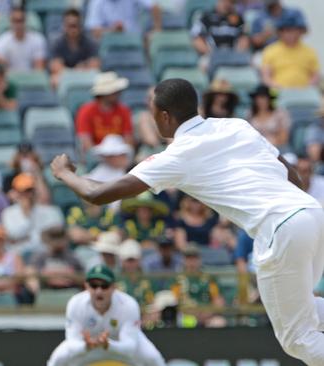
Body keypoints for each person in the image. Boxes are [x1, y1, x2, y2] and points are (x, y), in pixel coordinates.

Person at [51, 77, 324, 364]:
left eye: (153, 112)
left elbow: (97, 193)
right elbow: (293, 176)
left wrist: (64, 173)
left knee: (297, 338)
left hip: (281, 227)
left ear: (165, 117)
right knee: (306, 311)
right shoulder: (236, 125)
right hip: (312, 214)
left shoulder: (177, 156)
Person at [47, 264, 165, 366]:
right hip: (87, 345)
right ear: (86, 286)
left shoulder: (128, 305)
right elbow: (72, 344)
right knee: (57, 359)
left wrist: (108, 345)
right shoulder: (76, 304)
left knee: (154, 358)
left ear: (114, 287)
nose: (99, 291)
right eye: (94, 285)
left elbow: (130, 347)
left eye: (104, 286)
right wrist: (86, 346)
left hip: (118, 343)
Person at [1, 173, 64, 254]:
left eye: (30, 190)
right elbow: (13, 235)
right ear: (15, 193)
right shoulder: (8, 213)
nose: (27, 195)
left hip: (45, 255)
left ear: (35, 191)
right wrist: (27, 213)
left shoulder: (51, 211)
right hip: (20, 257)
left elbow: (56, 236)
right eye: (22, 191)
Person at [76, 72, 133, 154]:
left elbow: (128, 140)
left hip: (119, 155)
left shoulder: (124, 110)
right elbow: (85, 141)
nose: (118, 93)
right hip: (97, 156)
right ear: (105, 94)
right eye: (114, 91)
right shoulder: (86, 111)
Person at [261, 12, 319, 89]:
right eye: (287, 30)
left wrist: (307, 87)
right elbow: (266, 77)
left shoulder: (310, 51)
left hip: (304, 93)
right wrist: (276, 86)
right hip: (279, 94)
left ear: (301, 32)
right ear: (280, 32)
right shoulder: (270, 50)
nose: (291, 34)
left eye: (295, 30)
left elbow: (316, 75)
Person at [48, 8, 99, 89]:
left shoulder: (89, 42)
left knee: (98, 78)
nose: (72, 30)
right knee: (54, 80)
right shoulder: (57, 42)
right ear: (64, 26)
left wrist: (82, 69)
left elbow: (95, 65)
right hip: (65, 75)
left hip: (84, 75)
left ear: (80, 26)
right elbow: (55, 67)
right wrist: (75, 71)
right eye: (69, 26)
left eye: (75, 26)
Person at [0, 7, 46, 72]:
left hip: (32, 80)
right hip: (10, 80)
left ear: (26, 20)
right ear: (10, 21)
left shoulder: (38, 40)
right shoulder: (1, 42)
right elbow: (1, 70)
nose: (18, 24)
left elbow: (39, 69)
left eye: (21, 20)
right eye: (15, 21)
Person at [84, 0, 161, 39]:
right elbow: (94, 32)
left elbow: (154, 6)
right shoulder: (96, 2)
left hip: (135, 41)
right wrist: (113, 30)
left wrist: (157, 30)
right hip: (111, 45)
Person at [247, 84, 291, 148]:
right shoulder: (250, 113)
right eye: (258, 98)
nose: (260, 101)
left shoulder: (280, 113)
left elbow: (283, 137)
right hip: (254, 148)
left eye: (263, 98)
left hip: (277, 148)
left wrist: (268, 145)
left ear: (269, 99)